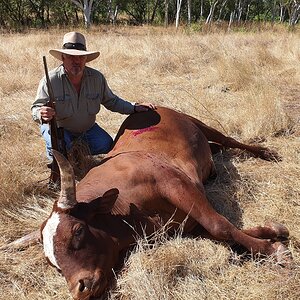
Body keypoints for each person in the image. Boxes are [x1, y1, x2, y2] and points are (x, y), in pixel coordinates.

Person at [31, 32, 156, 163]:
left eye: (80, 57)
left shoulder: (97, 78)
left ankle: (76, 152)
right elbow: (36, 107)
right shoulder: (50, 80)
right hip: (61, 130)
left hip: (87, 130)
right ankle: (61, 159)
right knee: (59, 149)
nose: (76, 61)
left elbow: (112, 101)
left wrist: (134, 107)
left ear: (86, 59)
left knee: (107, 145)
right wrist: (41, 113)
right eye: (71, 57)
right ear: (63, 57)